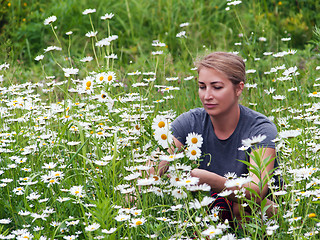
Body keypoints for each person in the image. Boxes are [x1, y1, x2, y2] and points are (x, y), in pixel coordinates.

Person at [154, 52, 278, 222]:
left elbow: (257, 191)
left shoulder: (260, 129)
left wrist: (211, 180)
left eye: (217, 87)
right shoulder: (190, 122)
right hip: (206, 213)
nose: (207, 96)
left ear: (239, 88)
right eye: (202, 86)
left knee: (241, 206)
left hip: (258, 219)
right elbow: (154, 166)